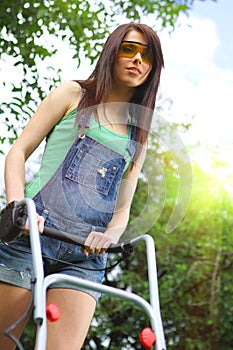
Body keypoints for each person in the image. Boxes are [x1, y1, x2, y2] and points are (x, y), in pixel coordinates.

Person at [0, 22, 164, 349]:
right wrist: (18, 210)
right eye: (128, 49)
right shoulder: (73, 95)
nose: (137, 60)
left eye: (147, 55)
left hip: (84, 256)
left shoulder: (138, 135)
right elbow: (17, 152)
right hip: (30, 234)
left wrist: (112, 235)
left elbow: (122, 208)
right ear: (111, 53)